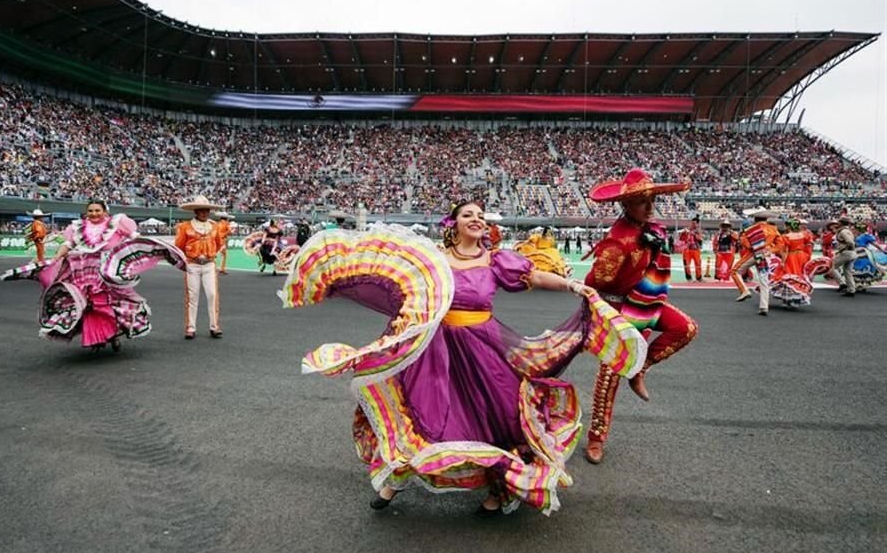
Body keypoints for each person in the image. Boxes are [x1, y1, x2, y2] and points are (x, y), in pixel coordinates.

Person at [281, 200, 646, 516]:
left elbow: (534, 275)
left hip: (484, 348)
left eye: (482, 216)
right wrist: (333, 282)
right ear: (453, 223)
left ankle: (498, 487)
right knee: (425, 415)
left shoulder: (496, 261)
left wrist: (572, 284)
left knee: (500, 414)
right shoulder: (433, 261)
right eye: (469, 215)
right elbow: (389, 285)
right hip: (436, 351)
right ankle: (396, 478)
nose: (477, 220)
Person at [581, 168, 698, 465]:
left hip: (644, 303)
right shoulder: (617, 242)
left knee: (685, 328)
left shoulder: (653, 230)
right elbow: (595, 283)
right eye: (642, 201)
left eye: (652, 199)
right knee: (609, 376)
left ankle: (640, 368)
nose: (650, 207)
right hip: (617, 309)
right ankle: (596, 439)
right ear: (626, 205)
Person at [0, 199, 185, 352]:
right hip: (85, 270)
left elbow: (134, 237)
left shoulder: (118, 222)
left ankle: (113, 335)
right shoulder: (77, 227)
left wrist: (137, 251)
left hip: (109, 270)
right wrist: (57, 257)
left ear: (105, 211)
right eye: (91, 210)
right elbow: (69, 244)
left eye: (98, 210)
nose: (94, 213)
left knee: (112, 302)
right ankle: (96, 337)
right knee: (89, 303)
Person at [176, 195, 226, 339]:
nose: (205, 213)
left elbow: (218, 243)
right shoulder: (185, 227)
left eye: (207, 210)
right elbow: (179, 246)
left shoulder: (214, 226)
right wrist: (186, 259)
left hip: (209, 264)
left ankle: (214, 326)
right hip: (192, 265)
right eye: (202, 210)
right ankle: (191, 327)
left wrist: (211, 254)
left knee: (212, 294)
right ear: (196, 211)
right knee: (192, 296)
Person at [731, 208, 783, 316]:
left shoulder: (750, 230)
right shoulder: (773, 229)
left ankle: (744, 290)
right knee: (764, 281)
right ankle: (764, 307)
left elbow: (747, 245)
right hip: (766, 255)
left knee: (735, 271)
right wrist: (769, 251)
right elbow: (780, 245)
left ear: (754, 218)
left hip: (754, 255)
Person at [829, 216, 857, 297]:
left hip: (846, 253)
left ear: (841, 223)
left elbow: (850, 242)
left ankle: (842, 283)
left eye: (839, 222)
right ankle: (851, 290)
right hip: (852, 253)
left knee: (831, 266)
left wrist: (841, 250)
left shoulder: (843, 232)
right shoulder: (848, 231)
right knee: (847, 272)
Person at [678, 216, 704, 282]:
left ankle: (699, 277)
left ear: (697, 224)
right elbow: (681, 239)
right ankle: (689, 278)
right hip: (687, 250)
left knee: (698, 264)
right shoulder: (687, 230)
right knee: (687, 264)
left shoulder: (699, 231)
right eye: (692, 223)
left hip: (696, 249)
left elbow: (700, 239)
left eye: (694, 223)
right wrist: (683, 233)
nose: (693, 225)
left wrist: (694, 233)